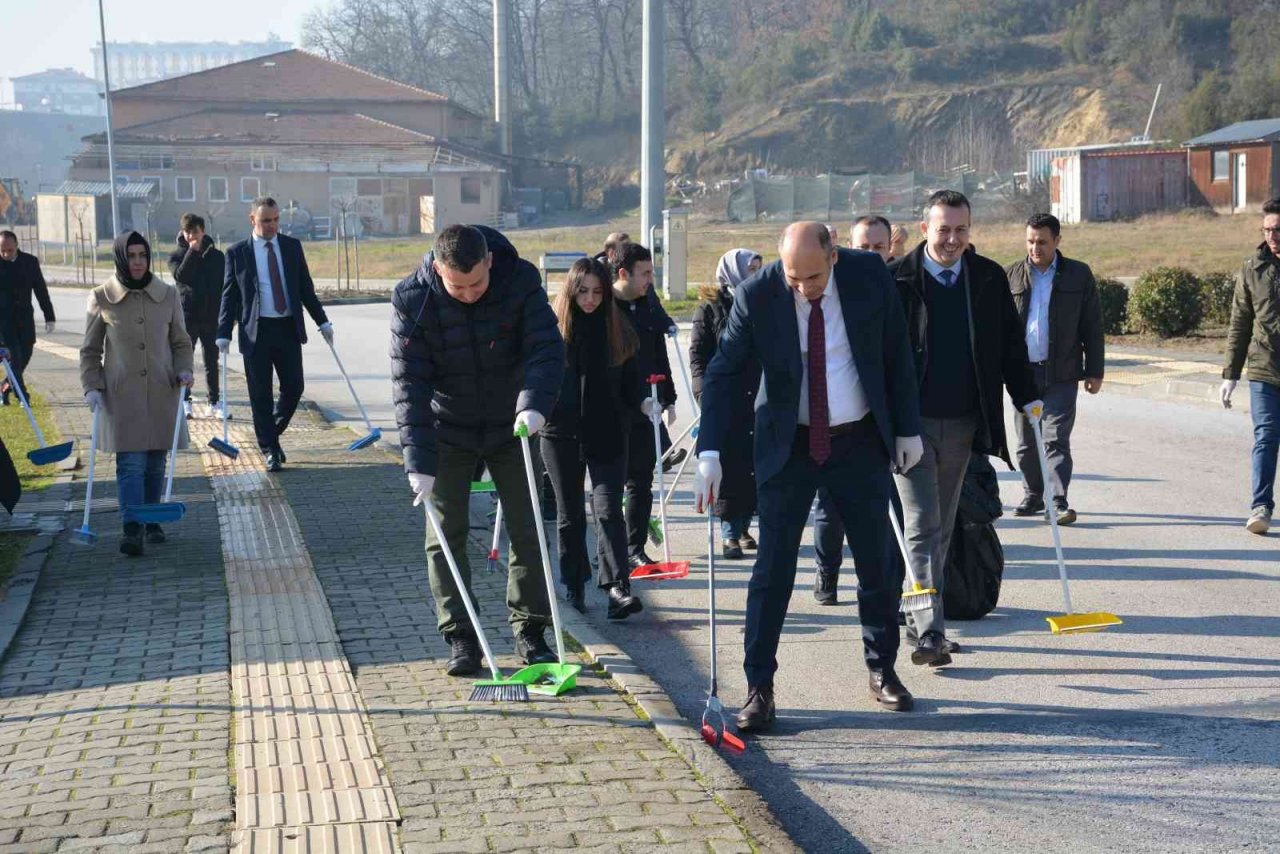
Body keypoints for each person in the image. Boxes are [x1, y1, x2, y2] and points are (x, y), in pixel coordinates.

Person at [695, 222, 925, 732]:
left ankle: (882, 669)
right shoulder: (759, 293)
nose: (803, 288)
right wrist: (708, 448)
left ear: (835, 254)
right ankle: (760, 688)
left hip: (859, 439)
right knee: (772, 569)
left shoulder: (868, 276)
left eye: (813, 277)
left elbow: (896, 354)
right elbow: (724, 373)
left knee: (876, 563)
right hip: (788, 444)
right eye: (794, 279)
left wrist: (907, 428)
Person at [391, 224, 565, 675]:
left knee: (527, 528)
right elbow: (409, 385)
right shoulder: (411, 298)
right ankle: (462, 637)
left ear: (489, 261)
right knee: (444, 532)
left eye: (476, 284)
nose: (468, 294)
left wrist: (534, 406)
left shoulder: (521, 281)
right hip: (448, 427)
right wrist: (418, 462)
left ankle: (531, 630)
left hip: (514, 424)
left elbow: (547, 349)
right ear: (437, 269)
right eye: (456, 286)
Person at [888, 190, 1040, 668]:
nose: (952, 240)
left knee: (943, 525)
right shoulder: (898, 281)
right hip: (908, 427)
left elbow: (1010, 346)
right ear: (923, 228)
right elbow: (877, 356)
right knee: (920, 526)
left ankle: (919, 616)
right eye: (943, 229)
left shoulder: (987, 278)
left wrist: (1028, 395)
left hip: (962, 423)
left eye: (960, 230)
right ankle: (930, 631)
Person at [543, 257, 651, 618]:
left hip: (608, 430)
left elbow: (635, 379)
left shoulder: (619, 329)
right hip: (561, 433)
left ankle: (618, 587)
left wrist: (646, 400)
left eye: (597, 293)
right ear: (571, 292)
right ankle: (574, 582)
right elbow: (532, 377)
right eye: (583, 292)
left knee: (608, 511)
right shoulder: (551, 332)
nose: (590, 299)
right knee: (570, 513)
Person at [80, 232, 194, 556]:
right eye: (131, 256)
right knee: (130, 464)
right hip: (122, 396)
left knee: (156, 462)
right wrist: (91, 386)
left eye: (142, 255)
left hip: (162, 391)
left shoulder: (168, 295)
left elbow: (181, 343)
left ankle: (152, 518)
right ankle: (131, 527)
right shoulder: (102, 297)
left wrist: (184, 370)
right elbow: (89, 351)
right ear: (120, 258)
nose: (138, 262)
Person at [813, 215, 895, 604]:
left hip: (878, 423)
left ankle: (885, 592)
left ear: (890, 247)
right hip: (832, 423)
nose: (871, 254)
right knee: (831, 511)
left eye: (879, 247)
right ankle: (827, 571)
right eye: (864, 247)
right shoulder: (835, 283)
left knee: (881, 514)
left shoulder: (901, 284)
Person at [216, 197, 333, 472]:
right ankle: (270, 449)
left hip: (287, 328)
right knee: (260, 395)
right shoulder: (238, 253)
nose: (272, 225)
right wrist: (223, 332)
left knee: (294, 387)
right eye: (266, 220)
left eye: (276, 219)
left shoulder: (291, 247)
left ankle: (269, 435)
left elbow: (305, 288)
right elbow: (229, 296)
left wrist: (323, 321)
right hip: (256, 331)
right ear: (252, 220)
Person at [1006, 213, 1104, 525]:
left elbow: (1092, 325)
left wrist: (1095, 370)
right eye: (1030, 241)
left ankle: (1058, 500)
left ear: (1057, 241)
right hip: (1022, 374)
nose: (1035, 248)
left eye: (1042, 242)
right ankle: (1034, 494)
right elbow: (999, 328)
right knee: (1025, 444)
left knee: (1055, 437)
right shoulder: (1010, 275)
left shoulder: (1078, 275)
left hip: (1062, 373)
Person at [691, 248, 763, 559]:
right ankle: (729, 532)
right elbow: (699, 355)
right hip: (724, 397)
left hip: (756, 395)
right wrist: (703, 393)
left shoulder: (763, 303)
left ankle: (744, 525)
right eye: (751, 269)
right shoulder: (710, 309)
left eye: (759, 268)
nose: (756, 274)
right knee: (728, 464)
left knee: (751, 465)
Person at [613, 243, 678, 568]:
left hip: (648, 406)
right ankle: (608, 550)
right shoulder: (605, 307)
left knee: (641, 481)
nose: (650, 280)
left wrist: (669, 397)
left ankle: (634, 548)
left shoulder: (648, 304)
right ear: (624, 273)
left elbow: (658, 353)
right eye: (646, 273)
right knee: (610, 484)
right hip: (613, 410)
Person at [1221, 196, 1280, 534]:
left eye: (1278, 229)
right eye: (1267, 229)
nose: (1273, 235)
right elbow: (1239, 324)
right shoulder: (1252, 268)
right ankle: (1261, 506)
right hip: (1264, 368)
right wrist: (1230, 374)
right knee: (1266, 436)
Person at [168, 213, 226, 418]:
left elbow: (224, 286)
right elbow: (181, 276)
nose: (193, 236)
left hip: (211, 316)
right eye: (188, 232)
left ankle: (214, 402)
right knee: (185, 359)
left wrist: (229, 315)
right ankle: (185, 401)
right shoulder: (176, 256)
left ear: (203, 232)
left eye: (196, 232)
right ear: (183, 233)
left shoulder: (217, 257)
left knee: (212, 360)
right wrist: (191, 252)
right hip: (187, 316)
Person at [0, 230, 55, 406]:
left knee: (25, 355)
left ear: (16, 246)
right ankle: (23, 396)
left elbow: (40, 290)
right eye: (2, 251)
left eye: (9, 250)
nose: (6, 254)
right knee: (15, 358)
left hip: (25, 320)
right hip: (4, 323)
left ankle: (3, 387)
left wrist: (49, 316)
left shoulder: (30, 262)